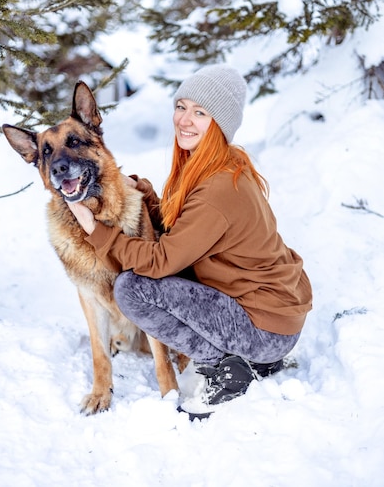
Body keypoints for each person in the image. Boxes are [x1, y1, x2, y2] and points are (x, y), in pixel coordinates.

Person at [67, 64, 312, 414]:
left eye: (200, 113)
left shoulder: (218, 188)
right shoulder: (216, 164)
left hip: (264, 328)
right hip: (271, 316)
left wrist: (97, 231)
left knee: (132, 289)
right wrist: (149, 197)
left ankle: (226, 368)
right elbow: (185, 230)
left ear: (220, 124)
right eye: (181, 106)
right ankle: (251, 357)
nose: (184, 119)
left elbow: (161, 261)